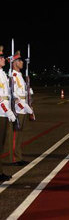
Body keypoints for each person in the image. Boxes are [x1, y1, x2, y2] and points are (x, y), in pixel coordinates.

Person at [6, 51, 33, 166]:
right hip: (17, 108)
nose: (22, 62)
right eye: (20, 61)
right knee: (15, 134)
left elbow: (23, 92)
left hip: (23, 106)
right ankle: (14, 158)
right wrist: (21, 105)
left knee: (20, 133)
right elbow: (12, 94)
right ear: (15, 63)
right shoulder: (12, 76)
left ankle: (18, 156)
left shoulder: (20, 75)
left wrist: (29, 91)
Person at [0, 46, 16, 181]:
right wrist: (7, 111)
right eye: (1, 58)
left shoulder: (2, 73)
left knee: (2, 144)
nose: (3, 59)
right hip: (1, 112)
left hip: (3, 113)